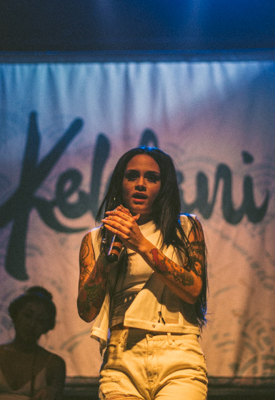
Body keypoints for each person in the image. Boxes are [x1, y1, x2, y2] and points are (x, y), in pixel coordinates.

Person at [77, 146, 208, 400]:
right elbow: (86, 311)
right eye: (132, 176)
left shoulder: (185, 227)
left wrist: (140, 243)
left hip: (177, 354)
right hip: (121, 358)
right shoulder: (95, 239)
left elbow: (193, 290)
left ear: (164, 186)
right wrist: (105, 258)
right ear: (120, 183)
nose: (140, 184)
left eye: (151, 178)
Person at [0, 286, 66, 400]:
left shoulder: (54, 364)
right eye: (27, 316)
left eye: (40, 320)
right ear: (15, 316)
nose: (32, 324)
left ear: (47, 326)